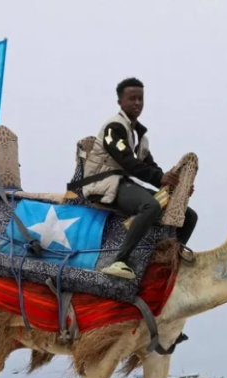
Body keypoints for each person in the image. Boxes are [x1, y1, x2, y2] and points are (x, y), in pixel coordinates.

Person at [80, 77, 198, 280]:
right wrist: (160, 178)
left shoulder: (140, 136)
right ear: (120, 102)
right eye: (132, 98)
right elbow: (127, 161)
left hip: (124, 183)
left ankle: (170, 259)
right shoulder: (113, 128)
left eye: (140, 98)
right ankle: (120, 261)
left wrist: (175, 186)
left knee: (189, 216)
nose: (137, 103)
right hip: (103, 183)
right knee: (150, 206)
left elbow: (150, 165)